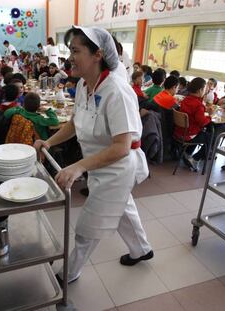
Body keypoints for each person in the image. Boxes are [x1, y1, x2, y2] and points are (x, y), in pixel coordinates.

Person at [34, 26, 152, 285]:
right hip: (99, 164)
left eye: (76, 51)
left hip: (118, 168)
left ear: (97, 54)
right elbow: (76, 123)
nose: (70, 57)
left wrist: (77, 167)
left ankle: (70, 272)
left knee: (88, 227)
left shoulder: (116, 91)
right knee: (123, 209)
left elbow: (121, 146)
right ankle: (142, 249)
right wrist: (49, 142)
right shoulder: (84, 86)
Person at [174, 77, 212, 172]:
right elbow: (202, 122)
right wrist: (210, 116)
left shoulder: (185, 100)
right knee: (211, 137)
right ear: (200, 90)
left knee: (201, 132)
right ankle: (195, 159)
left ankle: (187, 153)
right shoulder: (198, 105)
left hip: (179, 132)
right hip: (188, 135)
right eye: (204, 89)